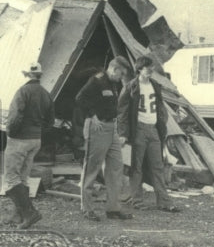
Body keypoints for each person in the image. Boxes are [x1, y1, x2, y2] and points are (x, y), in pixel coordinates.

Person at [117, 54, 181, 213]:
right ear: (139, 69)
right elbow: (122, 112)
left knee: (157, 166)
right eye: (147, 68)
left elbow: (160, 107)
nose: (151, 70)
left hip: (153, 130)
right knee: (136, 167)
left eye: (151, 68)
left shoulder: (155, 85)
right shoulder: (131, 87)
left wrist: (162, 123)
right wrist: (123, 133)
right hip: (138, 129)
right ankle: (137, 201)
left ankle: (164, 202)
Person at [75, 56, 134, 221]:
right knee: (92, 168)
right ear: (114, 69)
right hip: (98, 128)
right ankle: (87, 209)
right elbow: (80, 98)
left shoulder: (113, 83)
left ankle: (113, 209)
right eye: (120, 74)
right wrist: (92, 115)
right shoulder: (96, 81)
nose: (121, 78)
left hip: (112, 128)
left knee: (116, 168)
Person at [3, 62, 55, 229]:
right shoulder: (46, 94)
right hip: (36, 139)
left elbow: (15, 116)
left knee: (11, 178)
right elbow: (50, 121)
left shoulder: (22, 91)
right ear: (40, 75)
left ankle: (29, 213)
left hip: (19, 139)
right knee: (23, 177)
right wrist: (38, 131)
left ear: (26, 75)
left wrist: (11, 132)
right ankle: (18, 215)